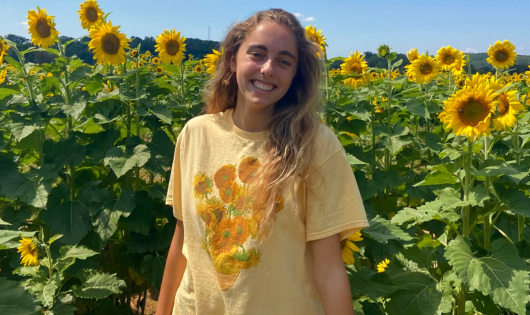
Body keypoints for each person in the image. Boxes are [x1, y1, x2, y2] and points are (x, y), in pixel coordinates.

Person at [156, 8, 369, 315]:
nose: (268, 69)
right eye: (257, 54)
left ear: (295, 74)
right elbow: (182, 245)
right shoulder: (195, 135)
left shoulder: (316, 147)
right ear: (233, 59)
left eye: (284, 61)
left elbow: (330, 272)